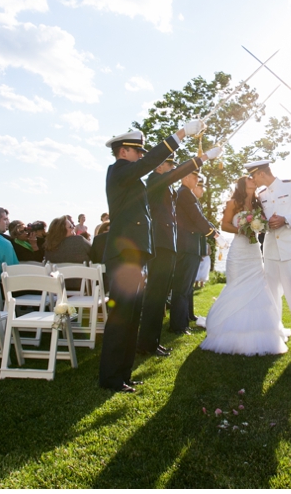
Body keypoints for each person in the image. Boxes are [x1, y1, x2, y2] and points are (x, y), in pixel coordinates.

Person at [98, 122, 206, 393]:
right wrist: (181, 134)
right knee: (121, 316)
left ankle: (123, 374)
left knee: (132, 316)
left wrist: (198, 159)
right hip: (124, 255)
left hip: (135, 254)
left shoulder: (130, 178)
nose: (142, 157)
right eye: (138, 152)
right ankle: (110, 377)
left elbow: (162, 176)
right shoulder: (119, 172)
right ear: (124, 152)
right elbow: (152, 164)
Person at [200, 176, 290, 356]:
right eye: (249, 179)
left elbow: (265, 224)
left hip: (254, 250)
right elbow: (224, 224)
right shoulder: (233, 202)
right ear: (242, 184)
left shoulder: (258, 205)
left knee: (258, 287)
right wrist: (241, 229)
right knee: (236, 286)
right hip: (239, 251)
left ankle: (261, 331)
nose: (253, 181)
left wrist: (262, 225)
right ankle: (228, 329)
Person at [136, 152, 207, 357]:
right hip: (160, 243)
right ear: (160, 167)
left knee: (159, 296)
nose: (172, 169)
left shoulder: (162, 183)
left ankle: (152, 341)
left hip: (168, 244)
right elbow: (175, 177)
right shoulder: (155, 180)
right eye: (169, 165)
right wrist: (199, 159)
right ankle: (146, 343)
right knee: (155, 295)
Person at [249, 160, 291, 355]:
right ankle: (275, 335)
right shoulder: (261, 195)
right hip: (270, 251)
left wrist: (286, 219)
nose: (253, 180)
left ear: (261, 174)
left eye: (254, 176)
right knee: (271, 296)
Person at [169, 171, 218, 334]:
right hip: (186, 246)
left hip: (190, 245)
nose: (198, 180)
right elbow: (197, 218)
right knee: (182, 288)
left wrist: (212, 230)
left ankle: (182, 321)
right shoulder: (184, 194)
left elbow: (199, 218)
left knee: (185, 287)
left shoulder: (185, 194)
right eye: (195, 177)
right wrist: (214, 233)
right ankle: (178, 325)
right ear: (185, 178)